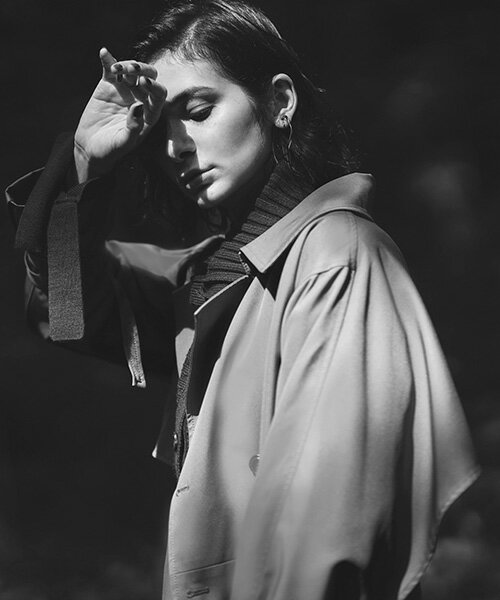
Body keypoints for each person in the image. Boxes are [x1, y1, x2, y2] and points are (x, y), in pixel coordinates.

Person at [6, 0, 479, 598]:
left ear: (280, 101)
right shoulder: (217, 279)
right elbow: (70, 317)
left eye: (198, 111)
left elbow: (328, 529)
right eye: (159, 130)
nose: (176, 146)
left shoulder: (336, 256)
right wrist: (83, 165)